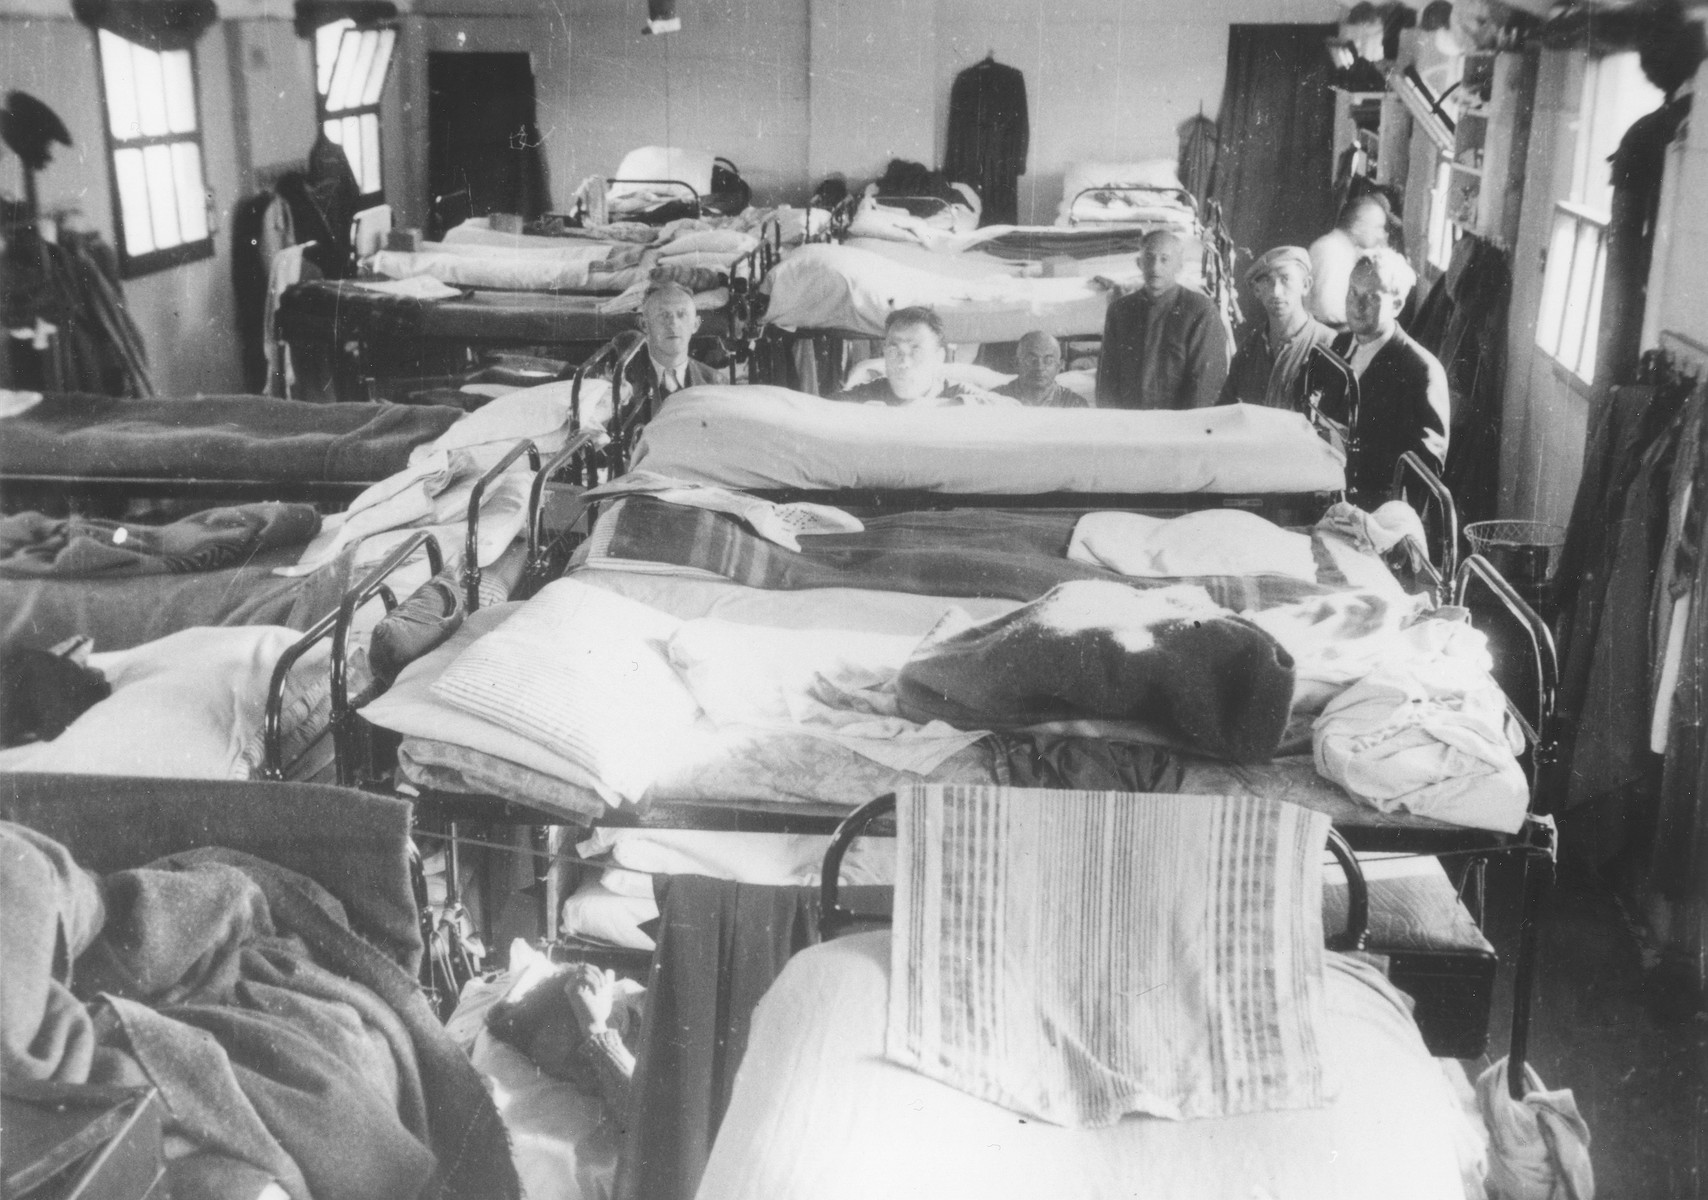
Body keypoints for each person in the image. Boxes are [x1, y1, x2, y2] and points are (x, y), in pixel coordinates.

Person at [1331, 247, 1450, 497]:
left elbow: (1427, 465)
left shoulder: (1421, 370)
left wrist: (1356, 454)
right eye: (1353, 292)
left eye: (1372, 297)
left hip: (1374, 505)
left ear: (1396, 305)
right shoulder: (1338, 345)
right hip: (1326, 485)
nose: (1357, 304)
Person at [1095, 229, 1228, 409]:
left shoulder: (1200, 310)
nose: (1155, 267)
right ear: (1139, 263)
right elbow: (1107, 379)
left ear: (1179, 266)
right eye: (1149, 258)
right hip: (1129, 425)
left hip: (1178, 427)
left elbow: (1206, 384)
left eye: (1165, 259)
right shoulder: (1120, 310)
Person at [1219, 246, 1338, 410]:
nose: (1276, 292)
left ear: (1306, 285)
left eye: (1285, 279)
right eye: (1267, 281)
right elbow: (1225, 411)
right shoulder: (1249, 349)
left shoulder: (1330, 346)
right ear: (1257, 290)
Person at [833, 307, 1005, 405]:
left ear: (938, 358)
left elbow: (1012, 408)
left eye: (916, 351)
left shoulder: (954, 391)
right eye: (894, 351)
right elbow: (822, 408)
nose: (903, 363)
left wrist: (946, 406)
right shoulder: (872, 392)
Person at [623, 280, 720, 402]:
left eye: (682, 314)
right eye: (663, 315)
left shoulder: (716, 384)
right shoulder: (620, 382)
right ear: (644, 325)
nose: (673, 323)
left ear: (695, 325)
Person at [1306, 193, 1391, 326]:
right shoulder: (1331, 250)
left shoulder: (1344, 249)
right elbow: (1329, 313)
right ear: (1357, 227)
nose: (1381, 235)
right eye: (1378, 227)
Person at [996, 331, 1087, 407]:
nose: (1039, 367)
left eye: (1048, 360)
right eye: (1031, 359)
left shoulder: (1074, 404)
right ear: (1016, 363)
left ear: (1059, 366)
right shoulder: (995, 399)